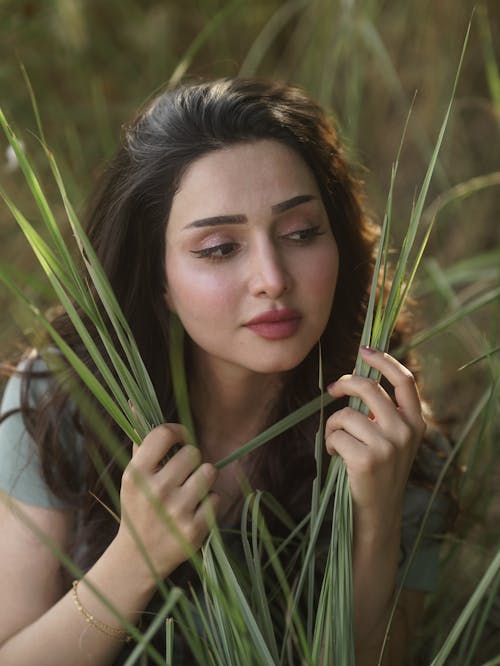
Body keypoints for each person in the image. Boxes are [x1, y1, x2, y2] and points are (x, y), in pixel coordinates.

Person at [0, 78, 450, 665]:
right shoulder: (61, 399)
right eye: (218, 248)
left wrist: (377, 523)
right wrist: (134, 561)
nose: (272, 277)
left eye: (300, 233)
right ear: (159, 276)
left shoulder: (389, 440)